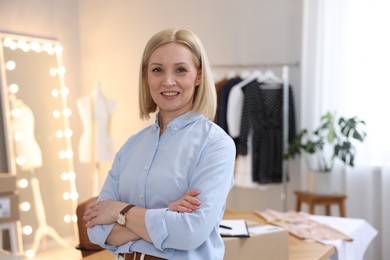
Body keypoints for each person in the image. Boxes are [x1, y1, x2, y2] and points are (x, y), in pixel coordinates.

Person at [83, 28, 236, 260]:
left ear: (198, 76)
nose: (168, 81)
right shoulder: (131, 146)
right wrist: (164, 216)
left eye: (181, 70)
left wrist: (119, 211)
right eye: (157, 70)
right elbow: (95, 227)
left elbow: (189, 233)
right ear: (146, 75)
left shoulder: (216, 145)